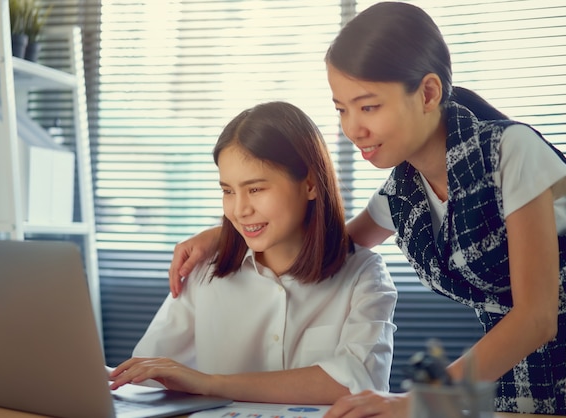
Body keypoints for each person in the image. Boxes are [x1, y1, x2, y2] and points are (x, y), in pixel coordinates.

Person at [167, 2, 566, 416]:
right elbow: (325, 243)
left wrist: (420, 401)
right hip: (517, 383)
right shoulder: (402, 191)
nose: (352, 129)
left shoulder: (511, 152)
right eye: (341, 109)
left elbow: (536, 317)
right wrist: (226, 235)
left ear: (428, 93)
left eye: (369, 107)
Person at [109, 101, 398, 404]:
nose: (240, 210)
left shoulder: (364, 275)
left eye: (256, 189)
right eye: (228, 191)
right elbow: (146, 375)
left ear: (310, 183)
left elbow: (359, 383)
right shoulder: (204, 271)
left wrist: (210, 383)